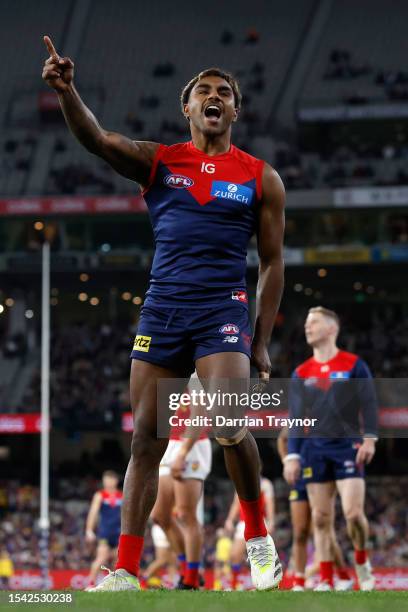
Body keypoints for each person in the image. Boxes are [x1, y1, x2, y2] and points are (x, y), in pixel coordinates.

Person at [42, 36, 285, 592]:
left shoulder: (260, 177)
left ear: (235, 110)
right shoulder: (160, 161)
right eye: (204, 91)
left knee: (227, 423)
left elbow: (272, 264)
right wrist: (67, 91)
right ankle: (125, 569)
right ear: (188, 107)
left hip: (222, 309)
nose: (214, 97)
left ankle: (257, 538)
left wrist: (261, 341)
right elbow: (97, 139)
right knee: (146, 442)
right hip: (162, 311)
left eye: (224, 92)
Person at [284, 306, 378, 591]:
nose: (307, 327)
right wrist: (292, 455)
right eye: (306, 323)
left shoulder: (353, 364)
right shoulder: (301, 372)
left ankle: (362, 561)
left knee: (352, 514)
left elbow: (370, 403)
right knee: (321, 518)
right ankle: (325, 579)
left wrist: (371, 438)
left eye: (313, 322)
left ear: (331, 329)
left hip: (348, 448)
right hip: (314, 450)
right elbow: (296, 419)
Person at [150, 373, 212, 589]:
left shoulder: (193, 375)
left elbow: (199, 416)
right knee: (159, 515)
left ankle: (192, 578)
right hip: (170, 444)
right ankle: (189, 569)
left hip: (191, 445)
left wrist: (183, 452)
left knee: (186, 514)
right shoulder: (167, 375)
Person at [278, 427, 353, 591]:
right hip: (299, 480)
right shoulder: (298, 418)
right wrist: (286, 461)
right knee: (300, 532)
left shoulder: (324, 418)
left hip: (319, 475)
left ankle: (342, 575)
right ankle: (299, 581)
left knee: (323, 526)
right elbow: (282, 439)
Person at [224, 474, 274, 590]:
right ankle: (234, 584)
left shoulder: (265, 484)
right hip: (243, 522)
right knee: (234, 554)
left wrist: (271, 521)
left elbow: (270, 503)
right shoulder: (240, 482)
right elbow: (236, 504)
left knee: (260, 557)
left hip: (259, 521)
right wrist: (230, 520)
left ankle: (264, 584)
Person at [85, 470, 122, 589]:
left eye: (111, 480)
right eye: (106, 480)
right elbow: (93, 513)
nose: (108, 482)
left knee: (117, 562)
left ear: (116, 481)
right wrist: (89, 530)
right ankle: (90, 584)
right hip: (105, 533)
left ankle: (112, 585)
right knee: (101, 558)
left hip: (119, 533)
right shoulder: (100, 495)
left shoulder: (122, 495)